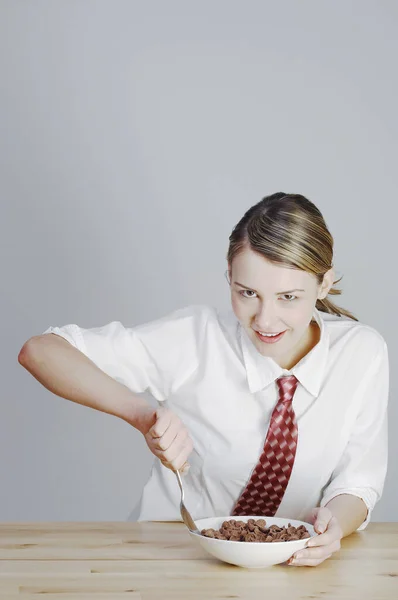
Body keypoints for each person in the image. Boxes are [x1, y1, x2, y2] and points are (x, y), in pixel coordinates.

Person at [18, 192, 389, 567]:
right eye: (247, 293)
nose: (264, 319)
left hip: (297, 567)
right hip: (173, 556)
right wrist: (142, 415)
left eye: (288, 297)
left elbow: (358, 483)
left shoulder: (362, 353)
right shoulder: (192, 338)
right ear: (229, 275)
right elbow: (41, 352)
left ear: (324, 285)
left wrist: (334, 526)